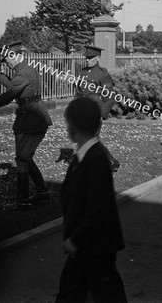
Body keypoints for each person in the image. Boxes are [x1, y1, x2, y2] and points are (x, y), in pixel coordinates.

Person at [56, 97, 127, 303]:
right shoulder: (83, 156)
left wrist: (75, 239)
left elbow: (98, 206)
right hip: (85, 245)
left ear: (72, 127)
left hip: (96, 245)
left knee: (107, 295)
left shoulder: (95, 159)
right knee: (71, 292)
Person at [0, 41, 52, 211]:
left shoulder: (23, 73)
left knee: (22, 160)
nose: (7, 64)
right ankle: (42, 192)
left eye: (7, 60)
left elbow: (8, 95)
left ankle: (23, 200)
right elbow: (14, 86)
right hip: (33, 119)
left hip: (30, 121)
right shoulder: (25, 70)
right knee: (26, 158)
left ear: (15, 56)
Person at [75, 45, 120, 172]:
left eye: (90, 58)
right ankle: (108, 162)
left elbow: (110, 97)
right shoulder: (83, 72)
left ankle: (106, 162)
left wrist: (102, 113)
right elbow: (78, 93)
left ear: (98, 58)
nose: (88, 60)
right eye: (86, 58)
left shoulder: (102, 74)